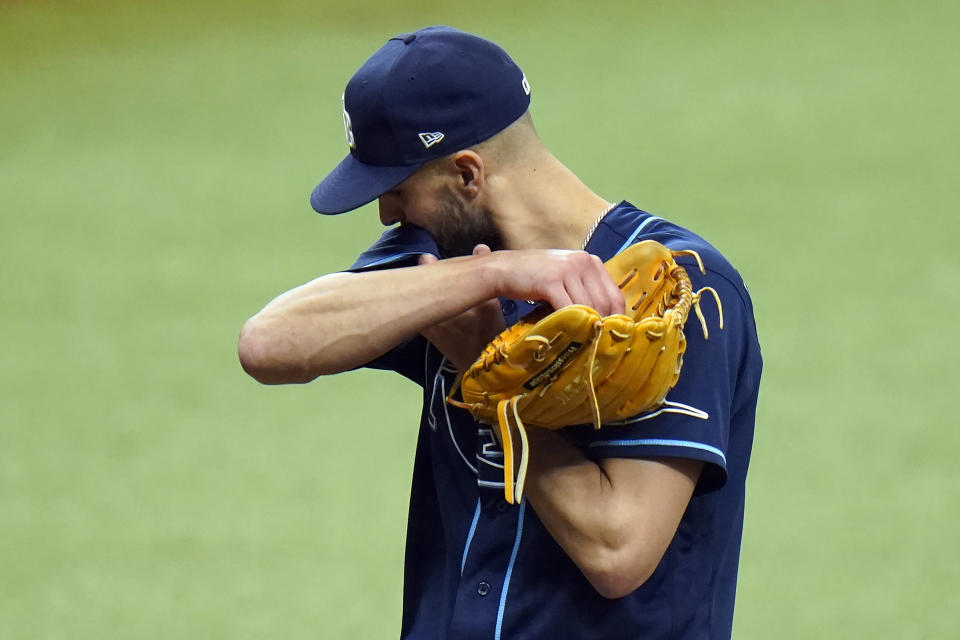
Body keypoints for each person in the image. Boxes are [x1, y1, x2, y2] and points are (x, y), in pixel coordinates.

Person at [238, 25, 762, 639]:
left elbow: (617, 550)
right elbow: (267, 345)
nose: (386, 213)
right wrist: (495, 273)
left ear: (467, 174)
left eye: (398, 190)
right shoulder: (445, 261)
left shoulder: (678, 289)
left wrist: (485, 371)